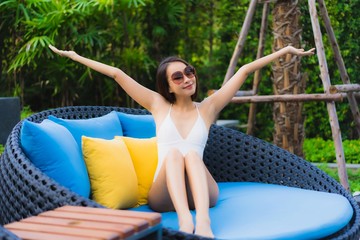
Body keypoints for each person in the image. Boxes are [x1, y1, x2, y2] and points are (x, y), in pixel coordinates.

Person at [49, 44, 315, 238]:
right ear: (168, 87)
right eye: (178, 77)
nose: (187, 79)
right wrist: (74, 56)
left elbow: (244, 70)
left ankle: (204, 224)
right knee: (177, 154)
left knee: (191, 156)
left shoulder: (208, 108)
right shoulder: (157, 105)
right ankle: (186, 221)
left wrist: (285, 51)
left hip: (204, 193)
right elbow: (117, 74)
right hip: (164, 194)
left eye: (189, 72)